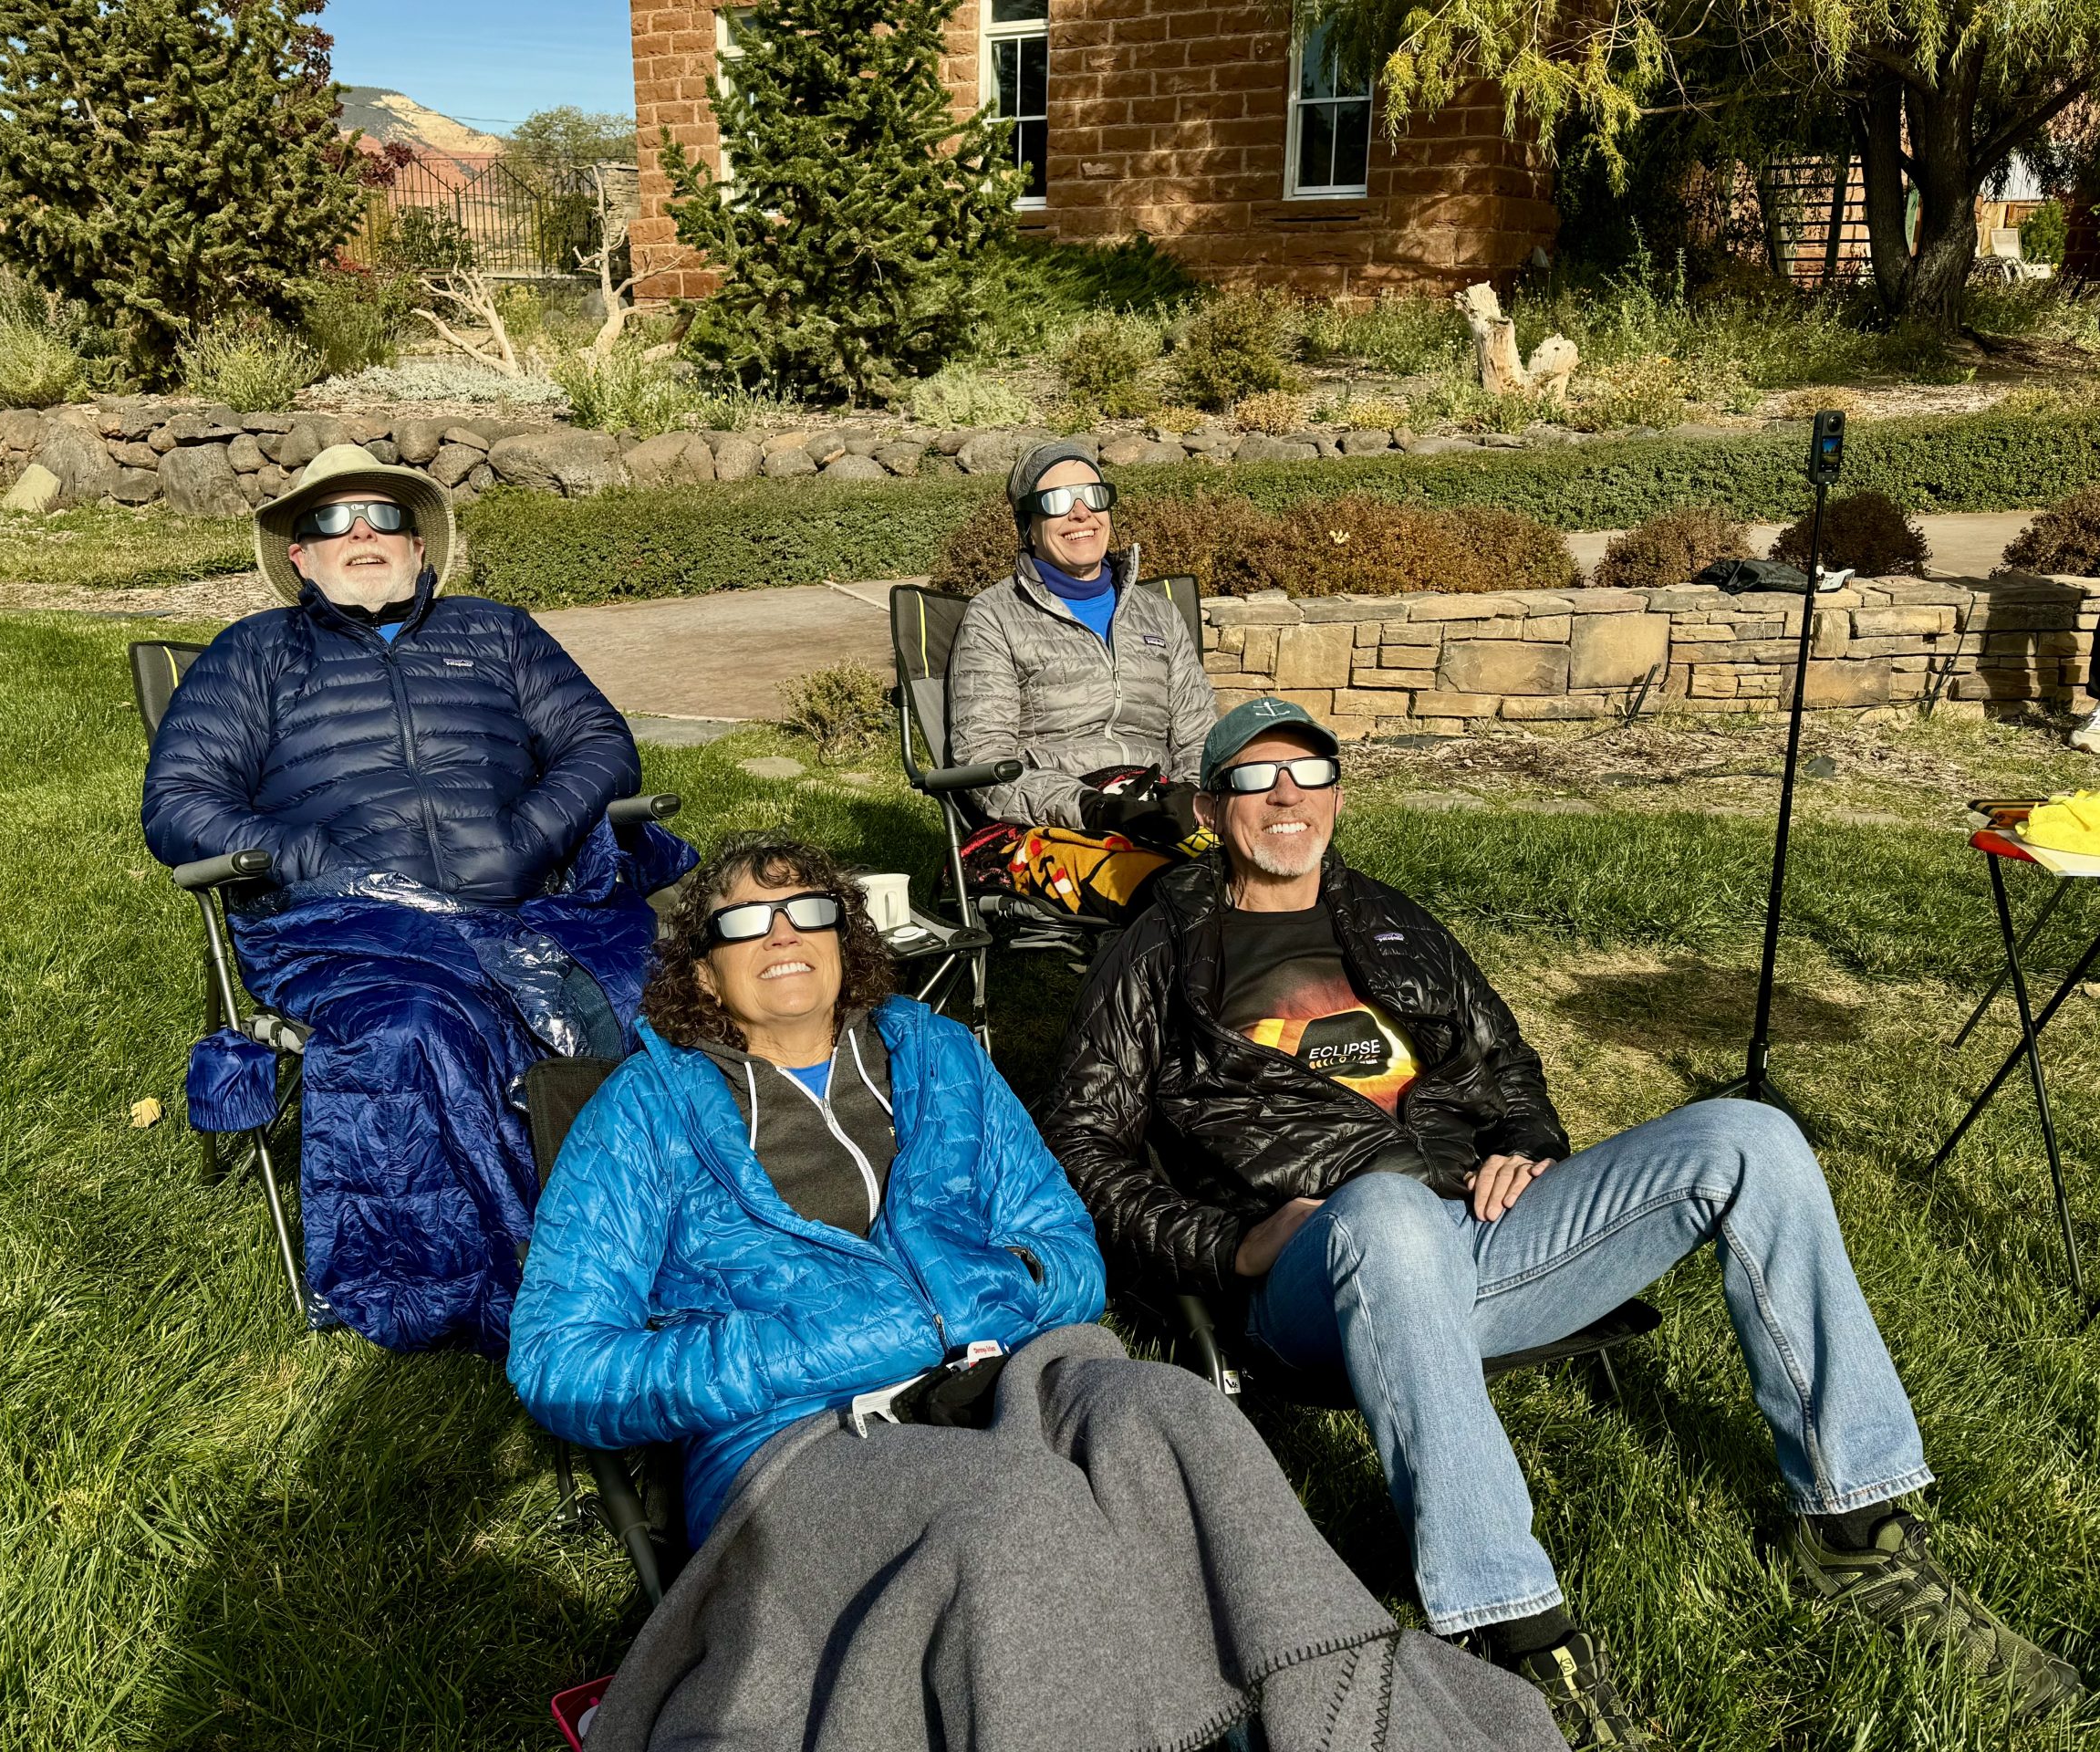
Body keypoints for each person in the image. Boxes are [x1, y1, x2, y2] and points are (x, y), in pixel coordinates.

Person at [1040, 697, 2087, 1746]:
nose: (1285, 798)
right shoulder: (1160, 950)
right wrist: (1231, 1244)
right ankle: (1511, 1629)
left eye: (1308, 777)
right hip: (1320, 1266)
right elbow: (1082, 1149)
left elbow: (1506, 1065)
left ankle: (1857, 1531)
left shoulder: (1391, 914)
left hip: (1482, 1238)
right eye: (1257, 779)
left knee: (1747, 1135)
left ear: (1337, 798)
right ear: (1214, 805)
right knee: (1393, 1220)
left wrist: (1526, 1146)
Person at [508, 838, 1565, 1752]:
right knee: (1014, 1509)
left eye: (808, 908)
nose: (783, 933)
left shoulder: (932, 1054)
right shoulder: (642, 1113)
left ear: (846, 936)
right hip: (800, 1438)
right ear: (701, 965)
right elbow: (561, 1362)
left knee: (1179, 1415)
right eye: (745, 918)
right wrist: (826, 1343)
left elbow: (1065, 1247)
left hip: (1005, 1372)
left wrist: (978, 1312)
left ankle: (1358, 1726)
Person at [142, 443, 689, 1354]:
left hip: (525, 901)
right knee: (415, 1030)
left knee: (663, 996)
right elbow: (178, 804)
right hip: (350, 925)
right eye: (329, 520)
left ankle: (684, 1236)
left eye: (384, 516)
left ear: (420, 548)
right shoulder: (254, 656)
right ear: (299, 557)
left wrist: (526, 838)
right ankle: (501, 1277)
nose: (360, 532)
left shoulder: (497, 632)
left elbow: (598, 745)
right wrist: (310, 851)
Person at [945, 440, 1216, 921]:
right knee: (1174, 893)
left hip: (1161, 805)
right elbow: (984, 763)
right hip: (1053, 824)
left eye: (1092, 495)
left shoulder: (1157, 613)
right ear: (1028, 525)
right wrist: (1091, 808)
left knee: (1286, 864)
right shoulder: (995, 617)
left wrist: (1190, 797)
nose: (1080, 514)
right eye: (1056, 501)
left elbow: (1199, 736)